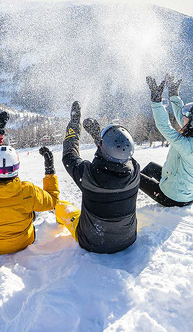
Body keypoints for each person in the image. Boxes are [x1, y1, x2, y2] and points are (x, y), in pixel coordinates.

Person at [56, 101, 140, 254]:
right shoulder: (134, 171)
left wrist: (74, 124)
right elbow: (114, 156)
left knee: (61, 207)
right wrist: (97, 135)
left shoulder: (88, 175)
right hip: (127, 239)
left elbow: (69, 155)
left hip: (92, 242)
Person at [142, 74, 193, 207]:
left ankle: (121, 196)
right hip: (185, 190)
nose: (183, 119)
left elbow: (164, 127)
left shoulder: (190, 148)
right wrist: (173, 95)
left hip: (173, 198)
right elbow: (181, 117)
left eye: (187, 118)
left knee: (134, 176)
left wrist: (156, 102)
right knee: (150, 167)